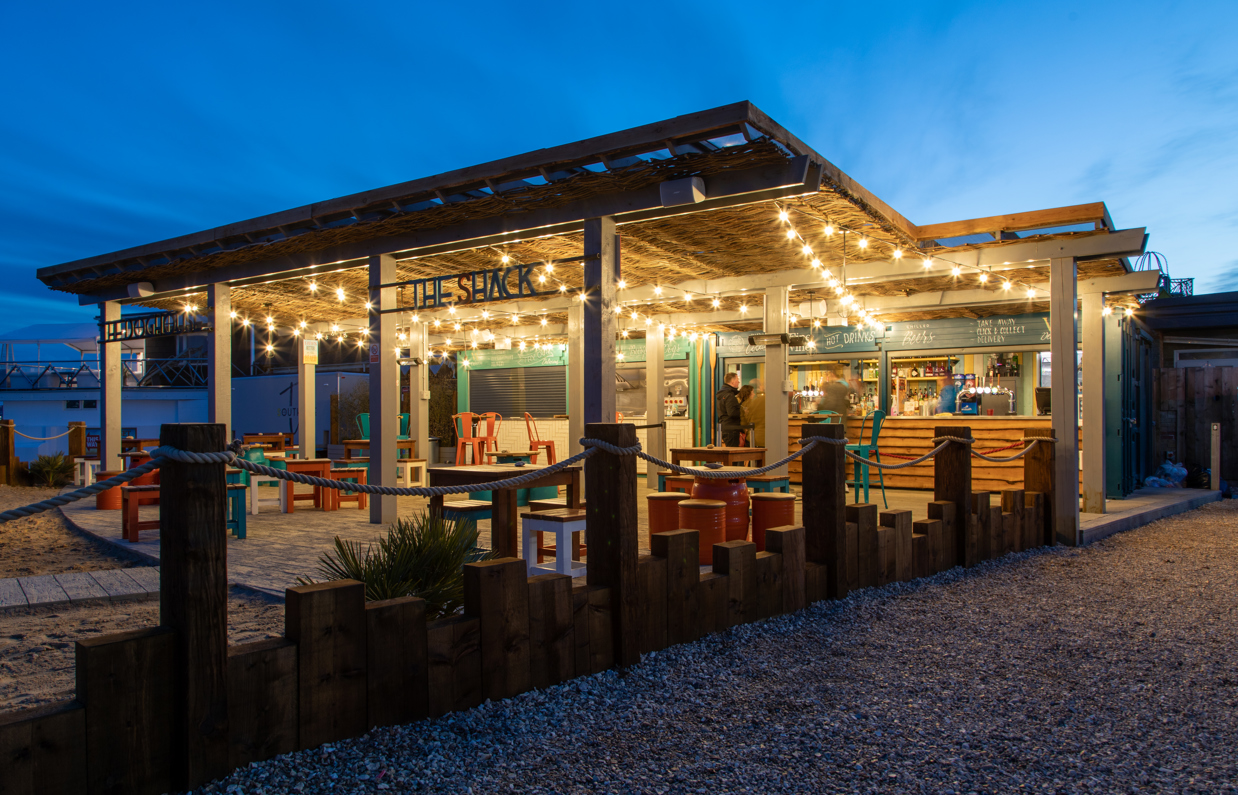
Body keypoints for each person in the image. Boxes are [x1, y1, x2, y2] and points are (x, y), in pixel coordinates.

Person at [715, 372, 743, 446]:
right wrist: (743, 412)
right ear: (732, 381)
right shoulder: (729, 395)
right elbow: (732, 413)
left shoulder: (722, 394)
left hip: (725, 427)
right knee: (732, 450)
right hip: (731, 429)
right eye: (737, 379)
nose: (738, 382)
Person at [743, 378, 766, 447]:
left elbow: (746, 420)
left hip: (753, 438)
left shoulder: (751, 402)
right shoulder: (771, 401)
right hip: (766, 438)